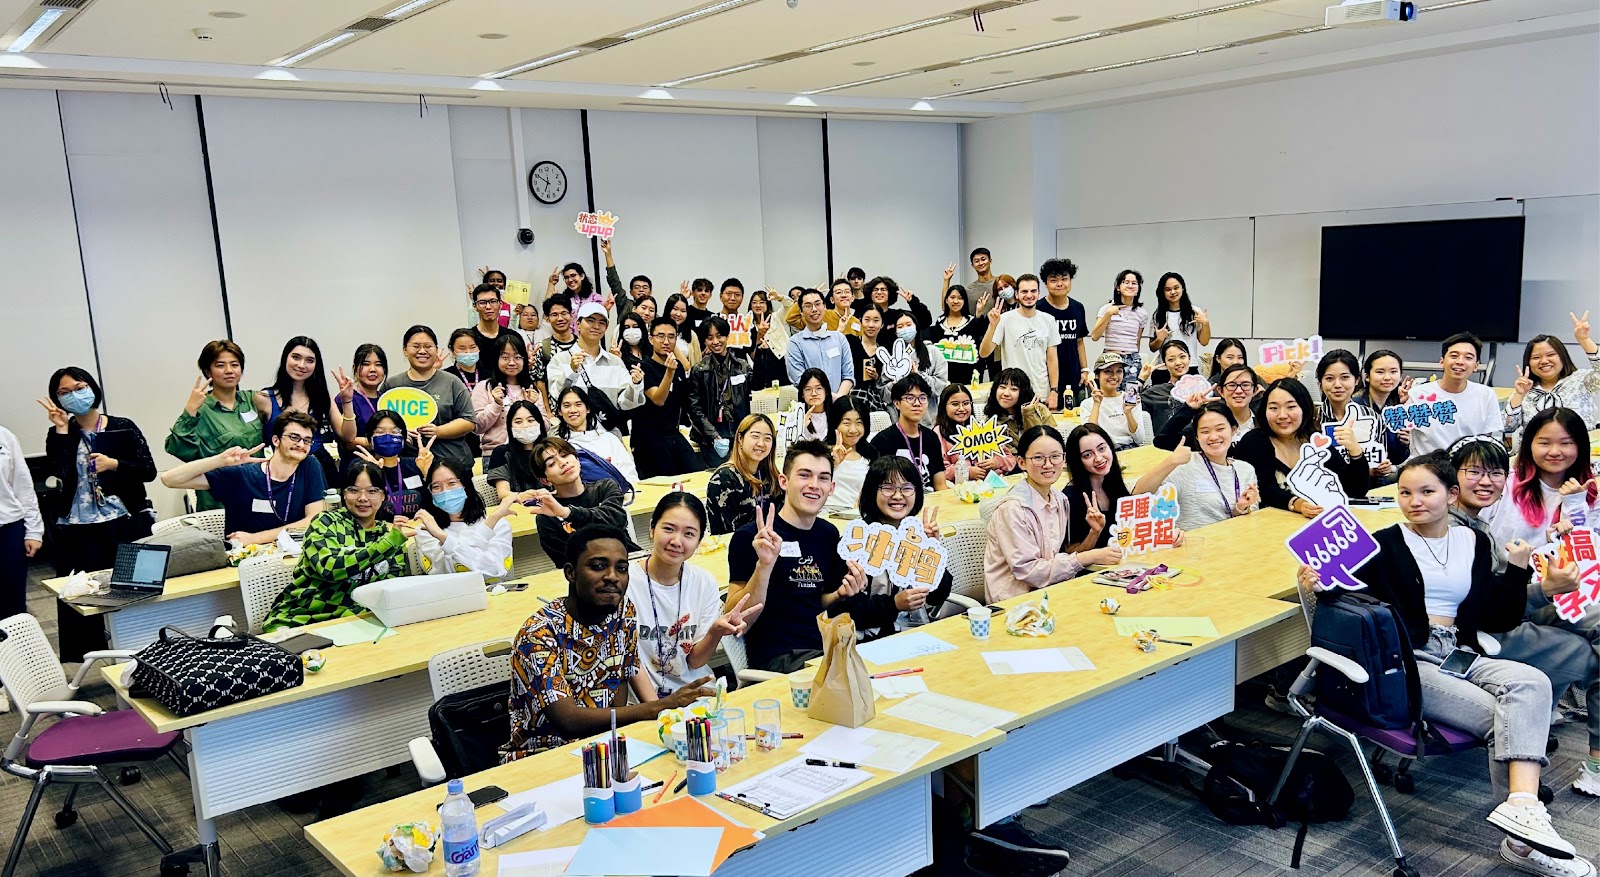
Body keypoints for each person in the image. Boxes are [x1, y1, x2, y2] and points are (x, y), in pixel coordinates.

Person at [1316, 452, 1595, 875]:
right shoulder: (1385, 544)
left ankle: (1521, 807)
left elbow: (1494, 616)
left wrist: (1519, 573)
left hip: (1461, 650)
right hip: (1411, 659)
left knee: (1532, 684)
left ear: (1450, 494)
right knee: (1506, 715)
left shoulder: (1474, 541)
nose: (1415, 501)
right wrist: (1319, 583)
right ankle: (1523, 843)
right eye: (1405, 492)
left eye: (1427, 491)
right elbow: (1342, 595)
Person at [502, 524, 715, 760]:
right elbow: (568, 721)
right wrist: (659, 707)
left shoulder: (623, 613)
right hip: (542, 757)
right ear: (571, 573)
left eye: (621, 568)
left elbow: (619, 680)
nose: (612, 577)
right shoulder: (539, 635)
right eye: (599, 566)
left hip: (606, 746)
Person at [40, 368, 157, 660]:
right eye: (64, 393)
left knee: (134, 590)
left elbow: (148, 470)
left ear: (93, 388)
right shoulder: (60, 434)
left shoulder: (122, 426)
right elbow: (60, 473)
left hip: (123, 519)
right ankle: (95, 660)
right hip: (79, 525)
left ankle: (145, 647)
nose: (74, 396)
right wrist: (61, 431)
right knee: (84, 597)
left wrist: (115, 464)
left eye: (79, 387)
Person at [726, 440, 867, 673]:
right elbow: (735, 619)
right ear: (784, 481)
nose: (814, 485)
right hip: (779, 659)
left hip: (824, 649)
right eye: (804, 475)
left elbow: (815, 601)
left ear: (831, 487)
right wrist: (764, 565)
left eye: (823, 478)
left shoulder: (828, 533)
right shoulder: (752, 537)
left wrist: (841, 594)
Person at [628, 494, 762, 697]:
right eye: (668, 529)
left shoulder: (703, 582)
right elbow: (627, 660)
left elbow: (695, 662)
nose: (676, 541)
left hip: (696, 696)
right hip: (644, 704)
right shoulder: (626, 582)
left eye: (689, 534)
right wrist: (655, 709)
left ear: (699, 541)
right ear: (652, 529)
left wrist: (715, 632)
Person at [261, 460, 407, 631]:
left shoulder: (389, 534)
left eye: (372, 491)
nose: (363, 498)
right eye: (353, 490)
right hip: (299, 621)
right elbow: (330, 568)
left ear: (383, 496)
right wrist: (387, 544)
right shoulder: (325, 523)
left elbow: (389, 590)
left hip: (354, 623)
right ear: (343, 494)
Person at [985, 425, 1124, 602]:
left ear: (1064, 459)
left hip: (1052, 593)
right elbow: (1028, 572)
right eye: (1038, 458)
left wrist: (1094, 533)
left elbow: (1062, 559)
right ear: (1021, 463)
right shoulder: (1013, 508)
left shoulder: (1059, 499)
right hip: (1015, 603)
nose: (1048, 464)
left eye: (1055, 457)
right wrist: (1091, 555)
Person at [161, 410, 328, 545]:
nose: (301, 445)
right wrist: (220, 460)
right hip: (245, 559)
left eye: (307, 441)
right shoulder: (242, 474)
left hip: (289, 555)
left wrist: (256, 539)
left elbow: (313, 520)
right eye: (294, 437)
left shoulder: (309, 465)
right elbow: (169, 479)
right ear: (276, 440)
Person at [833, 456, 952, 640]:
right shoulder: (856, 541)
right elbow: (846, 610)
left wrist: (931, 550)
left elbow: (937, 597)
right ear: (872, 491)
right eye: (888, 488)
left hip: (917, 634)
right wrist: (894, 604)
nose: (898, 496)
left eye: (906, 488)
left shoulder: (916, 536)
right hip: (868, 641)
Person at [1234, 378, 1370, 517]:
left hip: (1314, 525)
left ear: (1304, 408)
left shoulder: (1314, 440)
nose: (1282, 415)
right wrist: (1297, 504)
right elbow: (1266, 489)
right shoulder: (1254, 441)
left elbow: (1354, 490)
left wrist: (1355, 450)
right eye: (1274, 408)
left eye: (1291, 407)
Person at [167, 339, 263, 510]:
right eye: (220, 365)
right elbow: (177, 448)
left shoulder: (253, 400)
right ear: (207, 371)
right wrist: (189, 410)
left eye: (235, 365)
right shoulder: (201, 409)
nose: (229, 371)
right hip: (219, 498)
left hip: (257, 491)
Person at [1134, 402, 1259, 531]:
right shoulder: (1185, 464)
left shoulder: (1245, 470)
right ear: (1197, 437)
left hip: (1233, 543)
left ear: (1233, 430)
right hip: (1194, 545)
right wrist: (1170, 462)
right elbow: (1139, 494)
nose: (1213, 437)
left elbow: (1246, 522)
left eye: (1220, 429)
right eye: (1205, 431)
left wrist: (1241, 508)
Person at [254, 336, 358, 483]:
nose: (302, 365)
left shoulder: (321, 397)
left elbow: (348, 436)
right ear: (285, 359)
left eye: (309, 360)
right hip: (280, 470)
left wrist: (347, 400)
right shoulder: (263, 399)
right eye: (296, 357)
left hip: (319, 467)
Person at [1494, 408, 1598, 549]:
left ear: (1581, 446)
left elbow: (1587, 552)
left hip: (1566, 569)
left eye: (1566, 443)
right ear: (1529, 445)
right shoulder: (1505, 484)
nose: (1554, 452)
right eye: (1544, 443)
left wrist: (1574, 504)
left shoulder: (1591, 494)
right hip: (1506, 570)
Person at [526, 436, 637, 568]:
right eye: (551, 464)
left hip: (629, 562)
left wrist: (567, 513)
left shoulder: (605, 487)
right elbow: (564, 561)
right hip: (586, 578)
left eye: (565, 455)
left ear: (578, 460)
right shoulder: (547, 514)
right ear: (545, 480)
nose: (563, 463)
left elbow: (616, 519)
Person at [381, 326, 477, 470]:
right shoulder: (392, 385)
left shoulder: (452, 382)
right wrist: (399, 432)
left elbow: (469, 421)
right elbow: (380, 422)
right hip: (406, 465)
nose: (422, 351)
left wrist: (438, 431)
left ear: (436, 350)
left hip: (452, 463)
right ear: (405, 350)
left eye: (428, 346)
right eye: (416, 346)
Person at [406, 459, 516, 583]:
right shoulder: (426, 531)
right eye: (436, 486)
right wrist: (443, 537)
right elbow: (447, 576)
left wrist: (445, 540)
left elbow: (493, 571)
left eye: (452, 483)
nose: (445, 491)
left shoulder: (498, 525)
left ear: (466, 485)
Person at [546, 302, 647, 419]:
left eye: (602, 322)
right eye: (591, 320)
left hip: (607, 434)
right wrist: (571, 370)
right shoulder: (560, 359)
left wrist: (636, 384)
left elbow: (626, 404)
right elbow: (555, 395)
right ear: (578, 324)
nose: (596, 326)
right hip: (572, 434)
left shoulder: (615, 362)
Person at [1407, 333, 1504, 455]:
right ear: (1442, 362)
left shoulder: (1486, 395)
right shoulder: (1417, 394)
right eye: (1454, 356)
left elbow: (1491, 440)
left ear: (1476, 366)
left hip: (1467, 468)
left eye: (1468, 358)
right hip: (1426, 468)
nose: (1460, 362)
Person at [1508, 312, 1599, 434]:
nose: (1544, 361)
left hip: (1578, 449)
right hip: (1536, 451)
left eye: (1551, 355)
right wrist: (1519, 395)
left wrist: (1584, 340)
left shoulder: (1582, 380)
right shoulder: (1524, 390)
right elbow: (1507, 427)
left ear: (1563, 357)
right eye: (1536, 357)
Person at [633, 317, 701, 478]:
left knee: (697, 473)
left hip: (673, 433)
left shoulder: (676, 367)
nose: (666, 341)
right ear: (651, 339)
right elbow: (658, 399)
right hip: (649, 437)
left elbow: (684, 400)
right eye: (660, 336)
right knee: (667, 478)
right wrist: (669, 372)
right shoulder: (644, 367)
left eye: (671, 337)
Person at [979, 273, 1061, 407]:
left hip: (1041, 392)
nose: (1029, 295)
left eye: (1033, 291)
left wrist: (1054, 391)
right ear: (1017, 295)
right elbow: (984, 353)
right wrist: (992, 325)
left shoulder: (1048, 320)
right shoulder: (1005, 319)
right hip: (1013, 394)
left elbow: (1052, 358)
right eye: (1024, 291)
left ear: (1039, 293)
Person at [688, 315, 753, 467]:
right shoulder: (699, 370)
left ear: (727, 336)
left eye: (719, 336)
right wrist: (713, 435)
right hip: (711, 434)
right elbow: (694, 408)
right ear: (704, 341)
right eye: (710, 338)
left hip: (739, 432)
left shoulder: (742, 367)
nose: (715, 342)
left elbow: (753, 396)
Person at [867, 375, 947, 493]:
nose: (917, 403)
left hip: (930, 501)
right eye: (910, 398)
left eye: (922, 398)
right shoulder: (882, 441)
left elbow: (940, 485)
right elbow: (875, 487)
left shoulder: (931, 437)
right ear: (897, 403)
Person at [1317, 348, 1388, 479]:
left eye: (1345, 377)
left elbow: (1379, 457)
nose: (1337, 385)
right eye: (1329, 378)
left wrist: (1378, 470)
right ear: (1320, 383)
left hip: (1365, 489)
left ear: (1356, 380)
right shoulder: (1312, 418)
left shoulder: (1372, 417)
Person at [1064, 423, 1136, 551]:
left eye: (1102, 449)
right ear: (1077, 461)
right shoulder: (1071, 497)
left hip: (1124, 563)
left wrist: (1167, 534)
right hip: (1094, 569)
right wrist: (1094, 532)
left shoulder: (1114, 484)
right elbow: (1069, 555)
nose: (1098, 458)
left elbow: (1134, 530)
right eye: (1087, 455)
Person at [1158, 363, 1260, 450]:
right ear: (1220, 391)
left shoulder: (1265, 422)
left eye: (1245, 385)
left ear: (1255, 390)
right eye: (1232, 385)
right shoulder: (1208, 422)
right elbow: (1162, 441)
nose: (1238, 391)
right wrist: (1188, 409)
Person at [472, 333, 541, 460]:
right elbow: (477, 426)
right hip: (494, 455)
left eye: (517, 357)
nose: (511, 362)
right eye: (505, 357)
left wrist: (533, 406)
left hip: (530, 455)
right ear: (496, 359)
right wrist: (496, 404)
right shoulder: (484, 387)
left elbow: (545, 427)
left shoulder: (532, 389)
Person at [350, 410, 431, 518]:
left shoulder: (417, 464)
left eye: (395, 432)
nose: (388, 437)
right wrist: (373, 473)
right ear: (369, 439)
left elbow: (433, 507)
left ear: (403, 438)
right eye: (380, 432)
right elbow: (359, 512)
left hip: (416, 529)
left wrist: (428, 475)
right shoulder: (360, 467)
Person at [705, 414, 777, 535]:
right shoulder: (724, 479)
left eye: (767, 438)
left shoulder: (770, 475)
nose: (761, 443)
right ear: (740, 438)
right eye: (755, 436)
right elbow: (723, 534)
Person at [550, 385, 637, 484]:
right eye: (566, 405)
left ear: (588, 409)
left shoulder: (609, 439)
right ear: (560, 411)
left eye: (578, 404)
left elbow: (629, 474)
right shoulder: (556, 445)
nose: (573, 410)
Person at [0, 424, 43, 620]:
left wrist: (34, 531)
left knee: (11, 604)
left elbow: (23, 486)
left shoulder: (4, 436)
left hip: (7, 529)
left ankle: (14, 649)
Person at [1036, 258, 1091, 405]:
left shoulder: (1078, 307)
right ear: (1046, 284)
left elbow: (1079, 342)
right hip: (1046, 376)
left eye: (1064, 279)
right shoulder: (1038, 309)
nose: (1060, 284)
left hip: (1072, 373)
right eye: (1054, 280)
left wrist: (1084, 369)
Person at [936, 383, 1013, 481]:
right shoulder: (938, 433)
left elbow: (1010, 459)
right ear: (943, 407)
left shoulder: (982, 428)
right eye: (955, 404)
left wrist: (996, 462)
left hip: (991, 485)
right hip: (959, 490)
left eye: (966, 403)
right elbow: (939, 472)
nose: (961, 408)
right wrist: (967, 472)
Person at [1356, 348, 1413, 479]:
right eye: (1380, 372)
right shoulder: (1355, 406)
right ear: (1367, 377)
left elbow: (1397, 458)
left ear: (1400, 376)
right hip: (1359, 476)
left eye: (1393, 372)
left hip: (1386, 474)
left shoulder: (1395, 407)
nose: (1387, 377)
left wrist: (1403, 444)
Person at [786, 289, 854, 396]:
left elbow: (848, 375)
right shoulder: (795, 343)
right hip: (811, 404)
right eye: (808, 306)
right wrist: (826, 398)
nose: (814, 309)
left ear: (825, 306)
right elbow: (798, 379)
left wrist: (838, 398)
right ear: (801, 311)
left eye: (817, 304)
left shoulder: (839, 339)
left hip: (840, 404)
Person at [1146, 272, 1210, 385]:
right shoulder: (1158, 315)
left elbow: (1204, 342)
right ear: (1162, 292)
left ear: (1183, 288)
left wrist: (1205, 324)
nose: (1173, 292)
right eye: (1168, 289)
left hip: (1189, 367)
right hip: (1164, 369)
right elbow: (1152, 347)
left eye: (1176, 288)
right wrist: (1160, 339)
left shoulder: (1194, 311)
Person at [887, 311, 949, 423]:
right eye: (900, 327)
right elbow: (884, 393)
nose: (905, 329)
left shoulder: (933, 352)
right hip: (899, 421)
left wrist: (919, 377)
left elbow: (941, 385)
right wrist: (897, 382)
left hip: (929, 421)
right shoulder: (892, 356)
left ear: (916, 326)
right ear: (896, 332)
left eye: (909, 325)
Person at [1091, 269, 1147, 389]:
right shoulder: (1107, 308)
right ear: (1118, 287)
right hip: (1110, 358)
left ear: (1138, 289)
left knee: (1130, 398)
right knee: (1108, 395)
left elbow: (1137, 342)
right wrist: (1108, 315)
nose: (1130, 285)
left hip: (1132, 359)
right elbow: (1095, 336)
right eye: (1126, 282)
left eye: (1134, 283)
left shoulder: (1142, 313)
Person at [1078, 352, 1146, 450]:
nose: (1114, 376)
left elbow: (1139, 439)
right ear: (1097, 375)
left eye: (1119, 371)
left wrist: (1128, 413)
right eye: (1108, 371)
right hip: (1103, 451)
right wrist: (1097, 404)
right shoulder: (1088, 404)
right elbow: (1090, 438)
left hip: (1130, 449)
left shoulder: (1130, 399)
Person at [484, 399, 549, 499]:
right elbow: (503, 492)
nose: (525, 426)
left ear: (540, 424)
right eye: (518, 422)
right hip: (518, 509)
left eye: (531, 420)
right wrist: (521, 496)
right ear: (510, 427)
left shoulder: (551, 449)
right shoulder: (501, 453)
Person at [1137, 340, 1204, 437]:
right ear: (1165, 363)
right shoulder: (1155, 392)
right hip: (1166, 445)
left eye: (1182, 357)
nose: (1178, 363)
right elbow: (1127, 403)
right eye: (1171, 359)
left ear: (1189, 359)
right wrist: (1141, 379)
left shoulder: (1202, 388)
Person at [825, 396, 880, 512]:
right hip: (824, 512)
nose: (853, 430)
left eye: (859, 423)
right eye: (846, 423)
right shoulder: (821, 453)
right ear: (835, 424)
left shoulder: (872, 455)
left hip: (858, 515)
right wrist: (832, 464)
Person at [930, 274, 981, 385]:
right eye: (952, 297)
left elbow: (978, 351)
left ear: (964, 301)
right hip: (944, 376)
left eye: (960, 298)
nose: (956, 301)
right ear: (946, 300)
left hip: (967, 376)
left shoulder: (972, 322)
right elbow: (933, 350)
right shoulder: (939, 322)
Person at [532, 293, 577, 400]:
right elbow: (540, 382)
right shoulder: (543, 348)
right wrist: (548, 412)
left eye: (564, 313)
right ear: (547, 319)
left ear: (571, 315)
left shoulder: (583, 346)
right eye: (554, 315)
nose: (560, 318)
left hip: (582, 409)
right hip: (554, 410)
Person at [849, 305, 890, 405]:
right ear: (860, 321)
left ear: (882, 324)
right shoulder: (850, 342)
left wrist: (877, 378)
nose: (871, 325)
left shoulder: (884, 353)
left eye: (876, 321)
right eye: (867, 320)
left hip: (875, 399)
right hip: (851, 396)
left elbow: (886, 383)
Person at [984, 368, 1035, 447]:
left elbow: (1046, 440)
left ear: (1023, 393)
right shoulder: (990, 422)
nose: (1006, 393)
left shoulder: (1035, 413)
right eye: (1002, 387)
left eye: (1013, 389)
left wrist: (1030, 414)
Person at [748, 288, 788, 388]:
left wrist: (779, 297)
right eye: (754, 302)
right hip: (761, 368)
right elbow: (751, 353)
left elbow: (790, 306)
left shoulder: (775, 317)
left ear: (767, 304)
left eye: (762, 302)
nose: (758, 305)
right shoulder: (747, 325)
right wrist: (759, 335)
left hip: (781, 362)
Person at [348, 343, 387, 441]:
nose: (373, 369)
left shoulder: (387, 399)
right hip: (358, 456)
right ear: (355, 369)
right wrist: (382, 441)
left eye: (378, 365)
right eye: (366, 364)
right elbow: (347, 442)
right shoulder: (346, 399)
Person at [796, 368, 834, 441]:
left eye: (819, 388)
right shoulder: (796, 416)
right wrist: (800, 427)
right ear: (802, 394)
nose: (814, 393)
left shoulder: (835, 414)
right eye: (808, 389)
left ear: (826, 391)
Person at [467, 283, 505, 355]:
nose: (488, 307)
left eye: (493, 301)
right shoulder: (468, 338)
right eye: (482, 302)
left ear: (500, 304)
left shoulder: (512, 336)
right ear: (475, 306)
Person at [967, 247, 997, 318]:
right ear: (972, 265)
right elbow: (946, 307)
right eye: (976, 261)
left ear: (990, 260)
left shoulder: (1001, 283)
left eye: (983, 259)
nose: (980, 263)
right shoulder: (969, 289)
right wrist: (947, 280)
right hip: (978, 327)